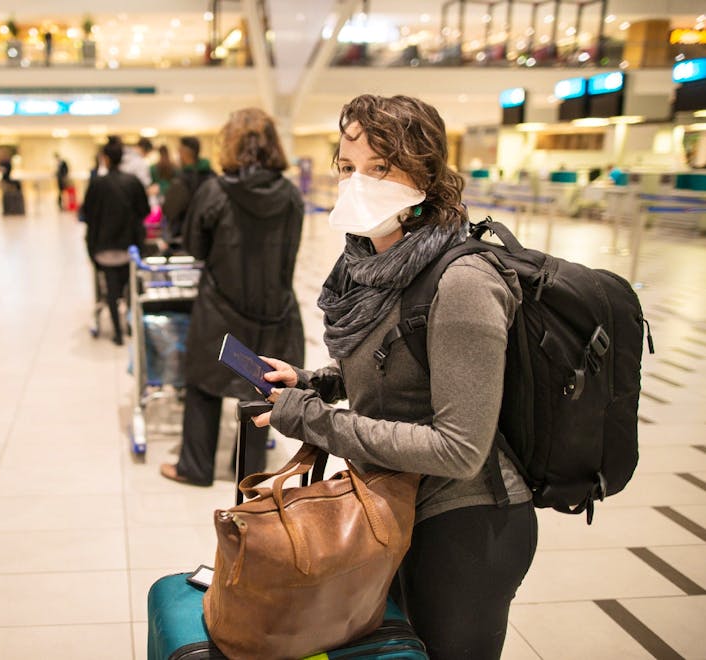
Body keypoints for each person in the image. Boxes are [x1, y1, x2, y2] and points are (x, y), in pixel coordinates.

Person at [250, 94, 536, 660]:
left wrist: (315, 421)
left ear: (425, 175)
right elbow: (397, 362)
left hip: (464, 524)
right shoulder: (370, 265)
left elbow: (459, 449)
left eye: (380, 168)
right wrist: (316, 383)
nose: (358, 183)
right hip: (394, 502)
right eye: (347, 167)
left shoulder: (463, 282)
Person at [159, 108, 304, 486]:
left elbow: (195, 246)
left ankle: (195, 467)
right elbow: (291, 252)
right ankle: (249, 474)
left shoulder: (216, 191)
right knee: (261, 391)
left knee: (203, 386)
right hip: (274, 309)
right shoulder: (291, 195)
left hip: (219, 307)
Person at [80, 140, 150, 345]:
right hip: (129, 247)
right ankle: (129, 325)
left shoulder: (97, 184)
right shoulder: (133, 182)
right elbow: (144, 211)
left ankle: (117, 333)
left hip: (103, 248)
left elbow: (87, 214)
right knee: (129, 287)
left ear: (105, 159)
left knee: (111, 290)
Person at [161, 136, 215, 245]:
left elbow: (170, 210)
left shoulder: (181, 180)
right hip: (209, 236)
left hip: (184, 238)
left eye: (179, 151)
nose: (178, 155)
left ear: (185, 152)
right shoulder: (213, 176)